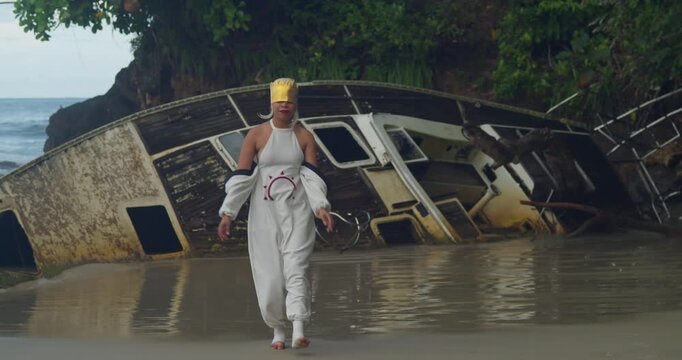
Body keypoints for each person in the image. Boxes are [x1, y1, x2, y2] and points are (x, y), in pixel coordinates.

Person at [217, 78, 334, 350]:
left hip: (298, 212)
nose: (285, 105)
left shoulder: (304, 137)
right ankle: (278, 331)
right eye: (280, 100)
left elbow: (312, 177)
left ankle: (298, 329)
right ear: (271, 103)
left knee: (296, 270)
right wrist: (228, 214)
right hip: (264, 215)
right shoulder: (256, 135)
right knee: (270, 277)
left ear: (295, 104)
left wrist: (321, 208)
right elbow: (242, 176)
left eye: (289, 100)